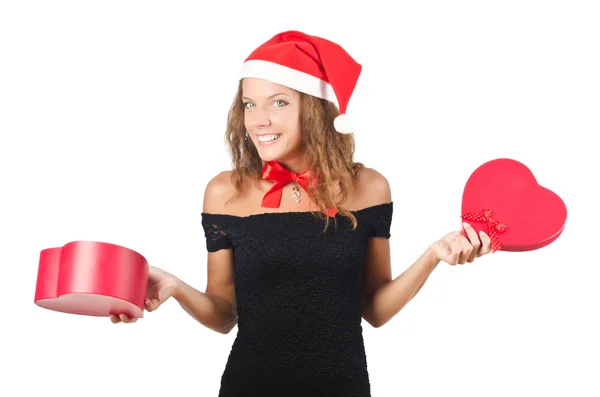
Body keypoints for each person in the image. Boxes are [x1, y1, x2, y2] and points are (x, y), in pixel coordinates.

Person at [109, 30, 493, 396]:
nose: (259, 119)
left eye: (278, 102)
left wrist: (432, 257)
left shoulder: (369, 188)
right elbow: (225, 314)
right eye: (249, 104)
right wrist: (175, 287)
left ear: (314, 109)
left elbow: (374, 309)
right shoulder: (224, 193)